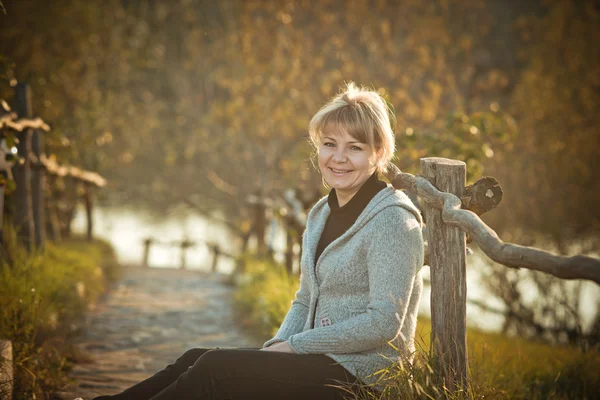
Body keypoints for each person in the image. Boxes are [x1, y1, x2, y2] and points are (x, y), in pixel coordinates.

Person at [92, 83, 424, 400]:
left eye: (354, 148)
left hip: (366, 379)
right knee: (196, 356)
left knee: (215, 370)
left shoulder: (393, 221)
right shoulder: (321, 213)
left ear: (378, 153)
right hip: (319, 360)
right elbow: (306, 299)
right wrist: (277, 346)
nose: (338, 157)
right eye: (329, 144)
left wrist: (295, 346)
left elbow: (383, 323)